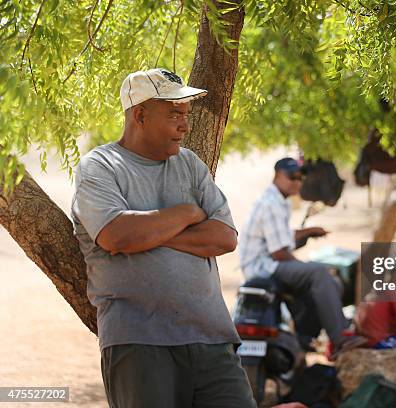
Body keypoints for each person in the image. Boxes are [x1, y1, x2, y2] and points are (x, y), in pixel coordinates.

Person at [71, 68, 256, 408]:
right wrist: (185, 214)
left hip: (212, 338)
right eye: (174, 114)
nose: (184, 125)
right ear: (139, 114)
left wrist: (152, 234)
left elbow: (224, 238)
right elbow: (116, 235)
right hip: (140, 341)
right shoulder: (100, 167)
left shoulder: (190, 165)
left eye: (185, 114)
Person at [239, 158, 366, 357]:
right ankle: (340, 339)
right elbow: (279, 253)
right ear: (277, 175)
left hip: (267, 264)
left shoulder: (278, 202)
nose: (297, 182)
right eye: (292, 177)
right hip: (263, 267)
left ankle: (307, 339)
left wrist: (308, 232)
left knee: (321, 279)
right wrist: (304, 267)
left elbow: (282, 237)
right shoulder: (271, 203)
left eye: (300, 178)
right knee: (319, 274)